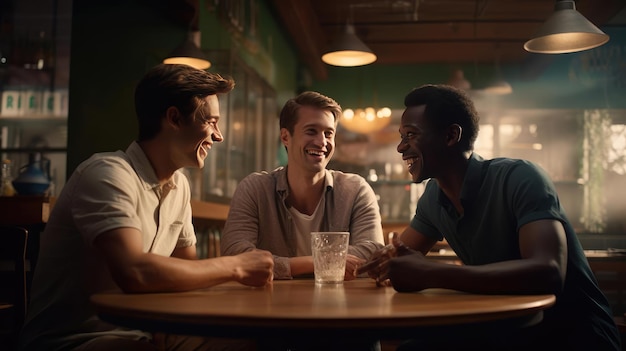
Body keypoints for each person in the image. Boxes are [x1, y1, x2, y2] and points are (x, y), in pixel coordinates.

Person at [19, 63, 274, 351]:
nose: (219, 136)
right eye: (210, 121)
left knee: (249, 342)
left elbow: (187, 273)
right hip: (71, 340)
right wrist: (236, 266)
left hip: (142, 333)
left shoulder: (180, 186)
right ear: (174, 118)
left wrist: (167, 323)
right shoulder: (107, 173)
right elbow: (134, 271)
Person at [361, 84, 622, 350]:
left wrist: (431, 272)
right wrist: (381, 263)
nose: (400, 147)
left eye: (411, 135)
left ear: (451, 135)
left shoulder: (520, 177)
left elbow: (548, 271)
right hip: (509, 331)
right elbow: (396, 258)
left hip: (576, 335)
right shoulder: (433, 197)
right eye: (402, 136)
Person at [220, 90, 385, 281]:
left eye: (328, 133)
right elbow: (234, 254)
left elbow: (372, 252)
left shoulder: (356, 190)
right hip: (271, 305)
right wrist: (314, 263)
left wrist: (281, 266)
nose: (322, 141)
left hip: (337, 305)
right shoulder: (255, 189)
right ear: (285, 137)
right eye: (311, 131)